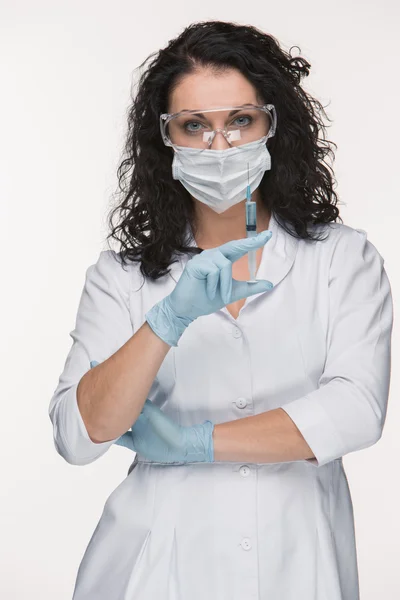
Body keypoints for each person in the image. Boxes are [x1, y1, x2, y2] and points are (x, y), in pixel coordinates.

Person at [48, 20, 393, 600]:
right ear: (167, 138)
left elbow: (357, 408)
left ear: (273, 125)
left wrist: (195, 444)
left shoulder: (340, 258)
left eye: (240, 120)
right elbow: (79, 435)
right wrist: (166, 322)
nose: (220, 145)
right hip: (154, 567)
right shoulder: (123, 277)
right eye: (194, 126)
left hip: (299, 559)